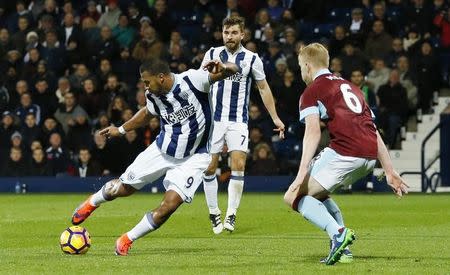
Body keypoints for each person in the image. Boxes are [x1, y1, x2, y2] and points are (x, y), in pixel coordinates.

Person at [70, 58, 240, 256]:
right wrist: (121, 130)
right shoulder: (153, 94)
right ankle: (92, 202)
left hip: (195, 157)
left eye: (147, 81)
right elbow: (147, 114)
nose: (145, 86)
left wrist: (225, 67)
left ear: (161, 77)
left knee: (170, 205)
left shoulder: (193, 79)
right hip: (161, 151)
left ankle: (127, 239)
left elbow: (234, 70)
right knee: (124, 189)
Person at [283, 43, 408, 265]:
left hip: (345, 152)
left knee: (293, 196)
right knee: (318, 194)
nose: (302, 71)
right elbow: (373, 131)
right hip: (368, 156)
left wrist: (301, 173)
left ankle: (338, 234)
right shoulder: (352, 87)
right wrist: (389, 170)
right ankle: (344, 248)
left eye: (301, 66)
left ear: (308, 66)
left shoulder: (312, 91)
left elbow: (312, 133)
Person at [201, 16, 285, 234]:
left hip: (238, 120)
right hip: (214, 121)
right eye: (226, 32)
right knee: (209, 167)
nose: (230, 37)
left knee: (238, 165)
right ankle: (213, 213)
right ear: (222, 33)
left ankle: (231, 215)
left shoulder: (252, 59)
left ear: (242, 35)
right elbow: (200, 84)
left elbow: (264, 88)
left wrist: (275, 118)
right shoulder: (211, 54)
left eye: (234, 33)